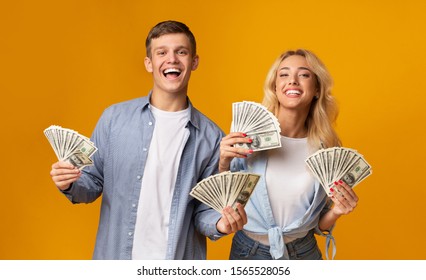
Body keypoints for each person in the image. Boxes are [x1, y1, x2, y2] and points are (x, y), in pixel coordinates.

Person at [49, 20, 247, 260]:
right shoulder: (114, 119)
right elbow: (90, 185)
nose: (172, 59)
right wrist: (68, 182)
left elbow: (203, 211)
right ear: (149, 63)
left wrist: (220, 224)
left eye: (181, 52)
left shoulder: (212, 137)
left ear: (194, 62)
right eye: (161, 52)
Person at [219, 49, 359, 260]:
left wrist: (337, 211)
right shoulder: (248, 138)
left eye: (304, 75)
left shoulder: (326, 148)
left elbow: (319, 223)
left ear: (317, 89)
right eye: (284, 74)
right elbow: (222, 201)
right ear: (275, 86)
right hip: (249, 253)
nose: (292, 81)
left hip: (304, 252)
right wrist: (223, 162)